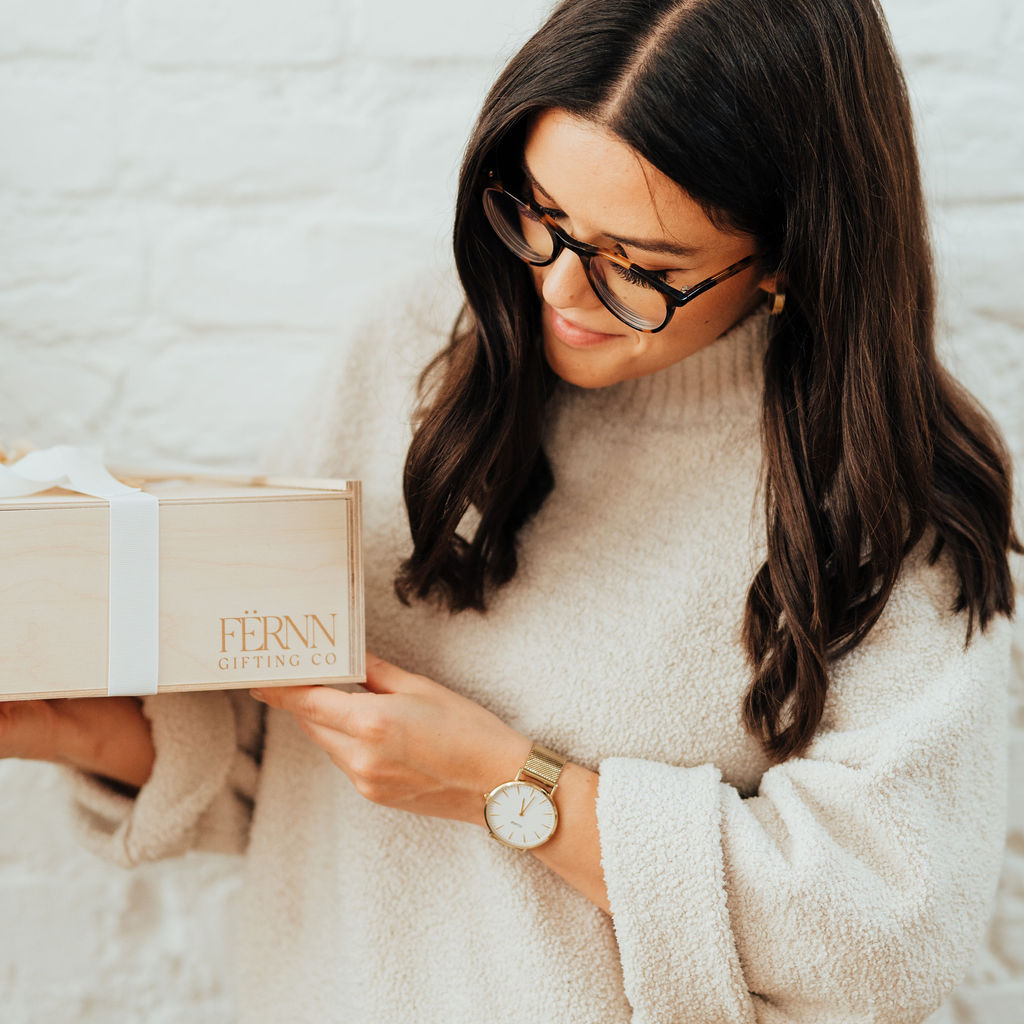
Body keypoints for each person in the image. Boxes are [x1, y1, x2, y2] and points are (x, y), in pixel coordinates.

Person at [2, 0, 1020, 1020]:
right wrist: (94, 734)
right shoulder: (409, 354)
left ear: (790, 252)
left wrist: (506, 784)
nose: (559, 290)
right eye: (537, 213)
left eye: (642, 268)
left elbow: (887, 932)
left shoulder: (892, 492)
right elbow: (309, 789)